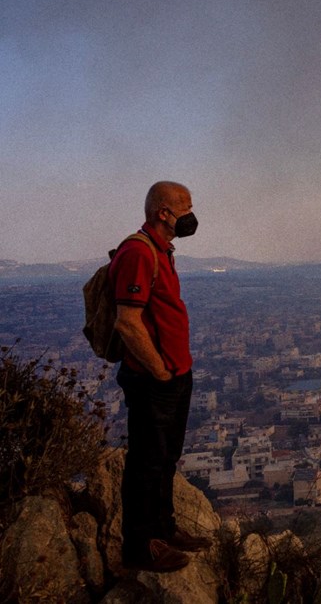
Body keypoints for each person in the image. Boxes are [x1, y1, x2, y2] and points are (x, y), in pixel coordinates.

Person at [110, 181, 211, 572]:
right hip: (154, 380)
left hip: (174, 375)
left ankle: (165, 529)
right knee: (146, 464)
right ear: (163, 213)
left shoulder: (162, 251)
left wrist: (175, 371)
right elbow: (127, 323)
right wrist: (159, 371)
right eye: (184, 207)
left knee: (166, 459)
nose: (191, 214)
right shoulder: (138, 251)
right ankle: (140, 547)